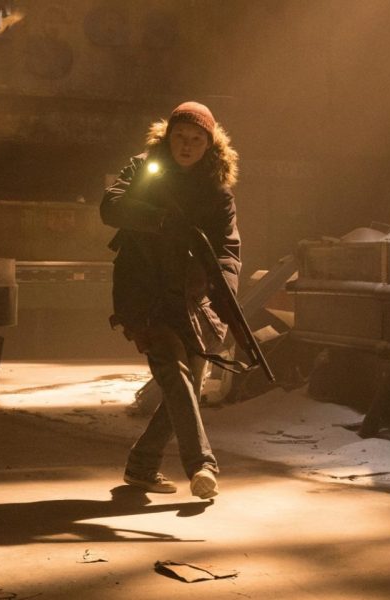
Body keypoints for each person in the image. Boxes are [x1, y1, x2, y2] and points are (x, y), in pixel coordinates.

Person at [100, 101, 240, 500]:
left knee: (189, 384)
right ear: (168, 136)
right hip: (143, 295)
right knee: (175, 374)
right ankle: (202, 465)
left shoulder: (216, 192)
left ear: (209, 145)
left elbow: (228, 251)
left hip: (191, 301)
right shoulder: (143, 169)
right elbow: (110, 206)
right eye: (180, 136)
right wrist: (158, 218)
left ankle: (142, 465)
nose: (187, 145)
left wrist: (221, 291)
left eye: (196, 139)